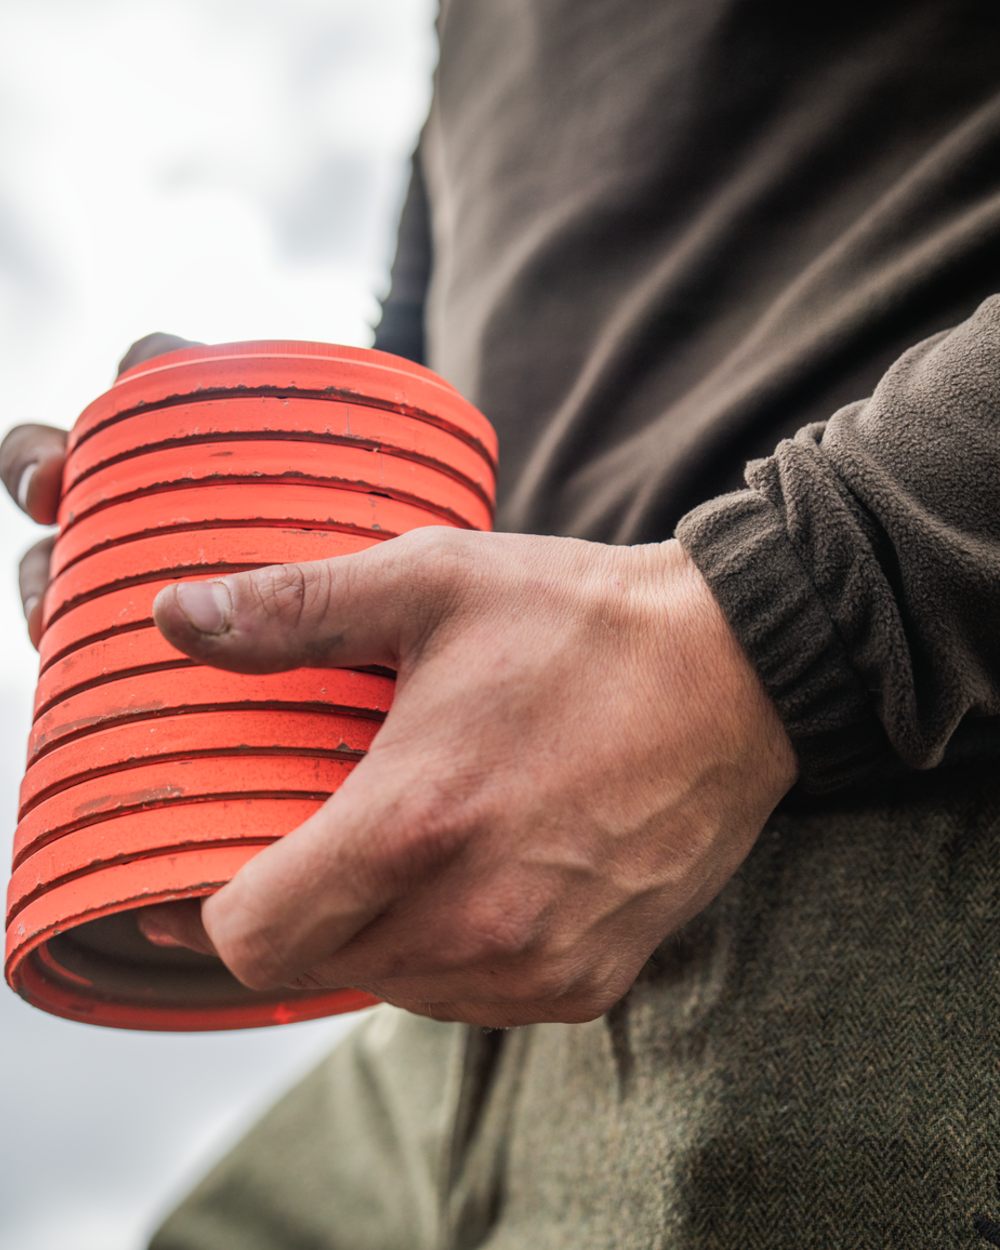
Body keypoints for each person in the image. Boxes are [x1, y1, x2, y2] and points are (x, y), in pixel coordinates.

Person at [5, 1, 1000, 1245]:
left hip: (877, 852)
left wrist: (765, 625)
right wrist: (263, 486)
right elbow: (443, 381)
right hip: (470, 958)